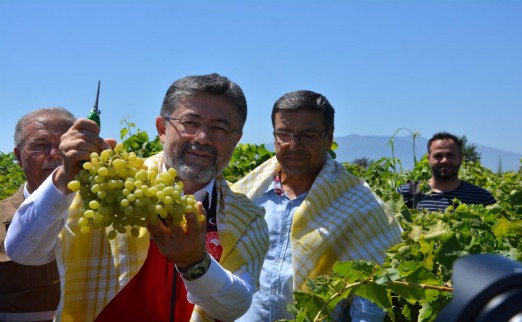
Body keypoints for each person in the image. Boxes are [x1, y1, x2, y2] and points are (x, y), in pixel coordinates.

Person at [5, 73, 269, 322]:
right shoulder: (106, 183)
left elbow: (234, 305)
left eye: (220, 129)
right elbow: (23, 252)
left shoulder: (246, 216)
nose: (202, 138)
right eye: (190, 123)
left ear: (237, 139)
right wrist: (64, 177)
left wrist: (195, 263)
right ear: (162, 128)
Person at [233, 90, 403, 322]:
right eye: (284, 133)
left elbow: (369, 300)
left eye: (308, 135)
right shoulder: (249, 195)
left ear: (329, 136)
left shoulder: (359, 204)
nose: (294, 145)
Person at [1, 107, 75, 322]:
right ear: (18, 156)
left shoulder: (102, 213)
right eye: (40, 146)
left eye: (64, 146)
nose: (54, 154)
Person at [397, 132, 496, 211]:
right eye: (438, 156)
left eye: (450, 155)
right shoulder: (407, 193)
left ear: (461, 158)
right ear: (428, 159)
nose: (444, 160)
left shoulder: (483, 198)